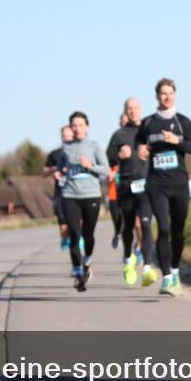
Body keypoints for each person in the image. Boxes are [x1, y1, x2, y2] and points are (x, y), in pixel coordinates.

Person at [135, 78, 191, 296]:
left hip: (179, 183)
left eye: (170, 93)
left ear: (175, 95)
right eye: (163, 93)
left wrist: (177, 141)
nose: (167, 97)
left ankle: (174, 270)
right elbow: (139, 147)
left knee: (177, 230)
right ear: (157, 96)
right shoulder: (147, 123)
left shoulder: (182, 122)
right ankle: (165, 278)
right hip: (156, 184)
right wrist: (140, 151)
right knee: (163, 228)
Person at [56, 111, 110, 292]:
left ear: (87, 127)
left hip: (91, 195)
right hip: (70, 195)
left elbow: (106, 170)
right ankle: (78, 273)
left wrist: (90, 166)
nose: (77, 128)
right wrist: (59, 173)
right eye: (74, 126)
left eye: (80, 125)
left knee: (88, 234)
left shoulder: (94, 146)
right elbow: (60, 167)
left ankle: (87, 259)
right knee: (74, 232)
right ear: (70, 128)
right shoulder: (65, 147)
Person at [106, 98, 158, 286]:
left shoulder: (149, 129)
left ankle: (147, 268)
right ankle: (128, 261)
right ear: (125, 112)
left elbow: (160, 150)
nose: (133, 111)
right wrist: (118, 155)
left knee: (145, 225)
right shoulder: (119, 135)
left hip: (146, 186)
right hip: (126, 187)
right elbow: (108, 158)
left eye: (135, 107)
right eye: (129, 108)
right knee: (127, 227)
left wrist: (150, 151)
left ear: (140, 109)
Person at [43, 125, 74, 250]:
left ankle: (78, 241)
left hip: (76, 191)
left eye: (69, 136)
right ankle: (66, 237)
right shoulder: (55, 154)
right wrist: (53, 170)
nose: (66, 138)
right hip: (60, 193)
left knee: (78, 223)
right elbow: (43, 172)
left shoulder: (79, 152)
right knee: (64, 227)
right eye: (64, 136)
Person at [108, 113, 129, 249]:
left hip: (132, 185)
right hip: (115, 188)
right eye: (123, 121)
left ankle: (136, 248)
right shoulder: (116, 137)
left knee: (134, 219)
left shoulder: (139, 136)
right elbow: (107, 158)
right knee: (117, 217)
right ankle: (117, 233)